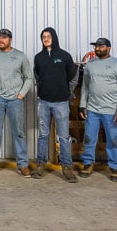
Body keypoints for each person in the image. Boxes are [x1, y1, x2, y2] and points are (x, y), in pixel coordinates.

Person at [0, 28, 33, 176]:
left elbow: (29, 77)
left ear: (10, 39)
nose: (0, 40)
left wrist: (21, 94)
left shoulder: (20, 56)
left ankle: (22, 165)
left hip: (15, 100)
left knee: (19, 133)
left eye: (4, 37)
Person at [78, 37, 117, 182]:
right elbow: (85, 87)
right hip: (92, 109)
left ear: (108, 48)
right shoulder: (90, 65)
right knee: (89, 138)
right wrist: (83, 105)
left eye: (101, 46)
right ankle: (88, 164)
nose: (97, 49)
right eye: (96, 46)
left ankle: (114, 167)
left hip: (111, 110)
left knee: (113, 140)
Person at [34, 28, 77, 180]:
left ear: (54, 38)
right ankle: (40, 164)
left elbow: (73, 76)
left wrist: (67, 93)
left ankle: (67, 167)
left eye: (48, 36)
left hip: (61, 103)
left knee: (64, 137)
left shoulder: (64, 56)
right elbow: (37, 77)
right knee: (43, 135)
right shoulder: (38, 57)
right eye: (43, 37)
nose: (46, 39)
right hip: (44, 102)